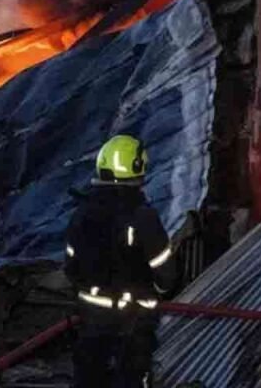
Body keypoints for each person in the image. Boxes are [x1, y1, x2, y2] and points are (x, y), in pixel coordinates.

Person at [64, 135, 177, 388]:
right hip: (134, 323)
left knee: (89, 379)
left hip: (91, 320)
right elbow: (167, 276)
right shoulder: (143, 216)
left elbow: (71, 267)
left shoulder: (81, 214)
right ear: (137, 167)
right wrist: (151, 292)